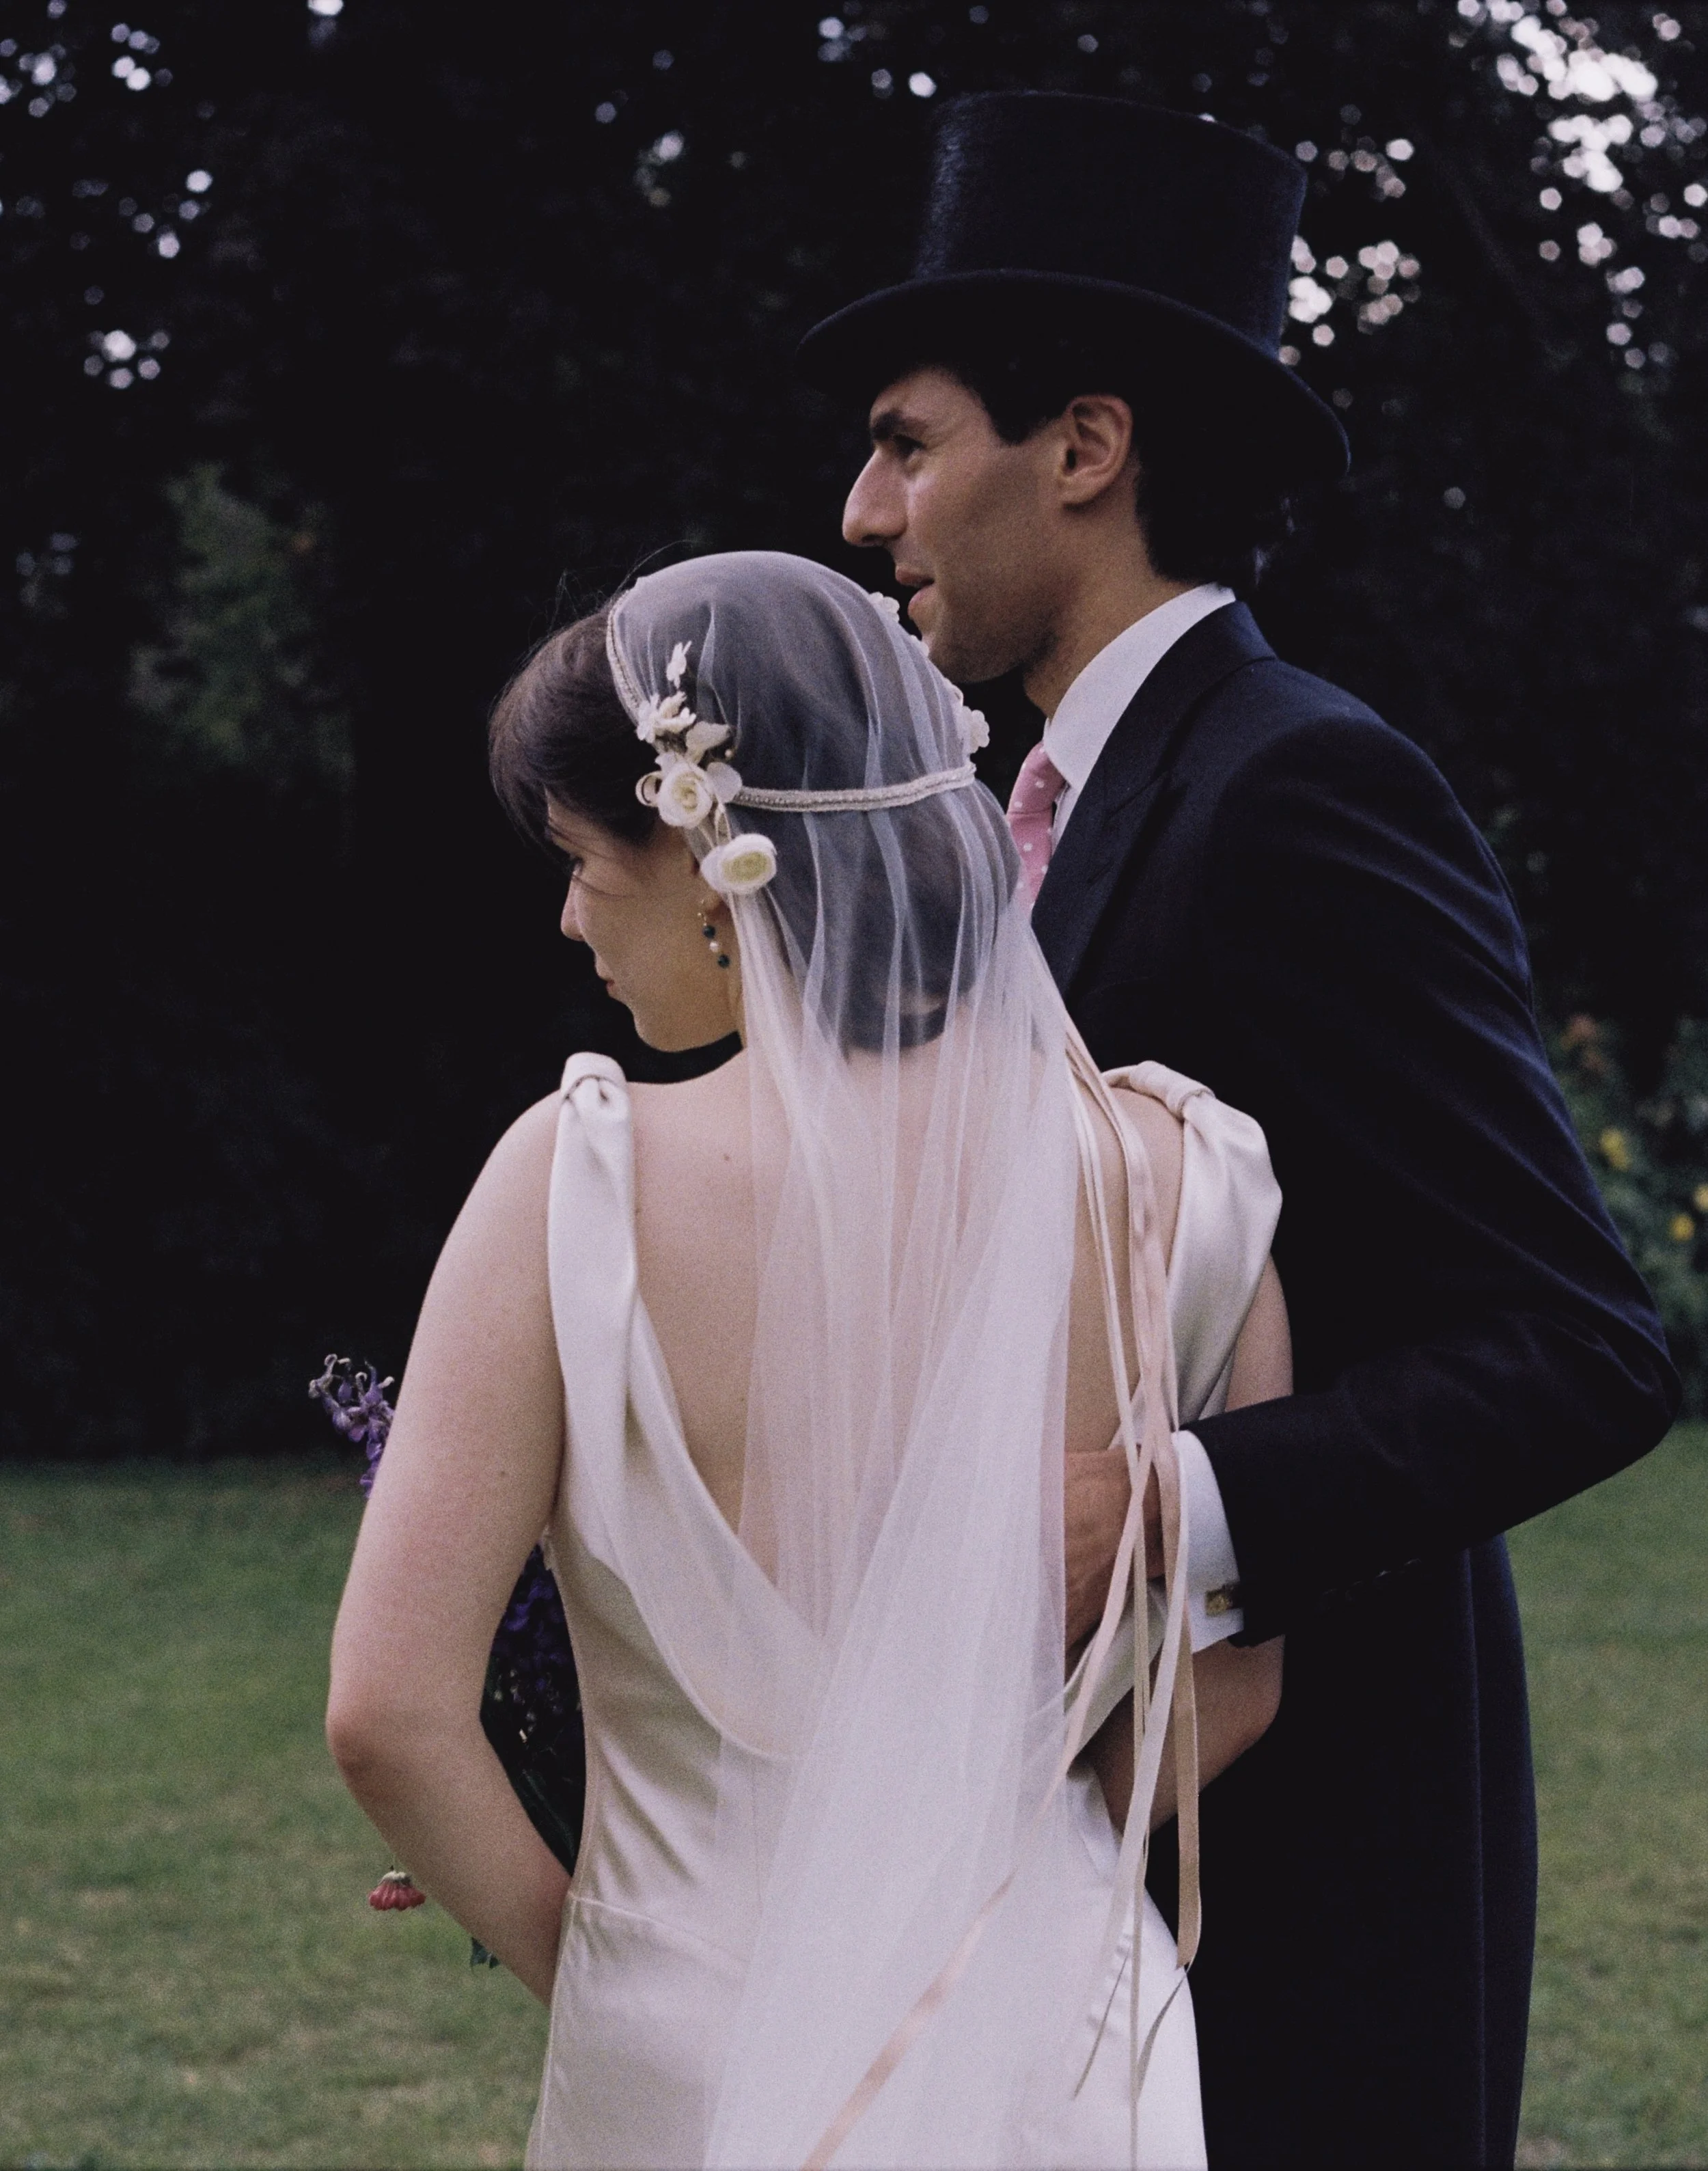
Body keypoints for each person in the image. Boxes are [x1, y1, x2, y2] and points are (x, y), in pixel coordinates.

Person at [801, 90, 1681, 2168]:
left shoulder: (1299, 790)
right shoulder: (1038, 824)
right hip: (1068, 1862)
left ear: (1085, 451)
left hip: (1301, 1892)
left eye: (909, 441)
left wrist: (1168, 1511)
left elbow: (1577, 1347)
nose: (860, 511)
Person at [327, 548, 1295, 2167]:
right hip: (1055, 2033)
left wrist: (603, 1962)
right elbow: (1232, 1687)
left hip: (686, 2035)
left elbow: (385, 1710)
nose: (567, 916)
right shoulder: (1183, 1180)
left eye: (577, 859)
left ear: (710, 859)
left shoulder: (578, 1184)